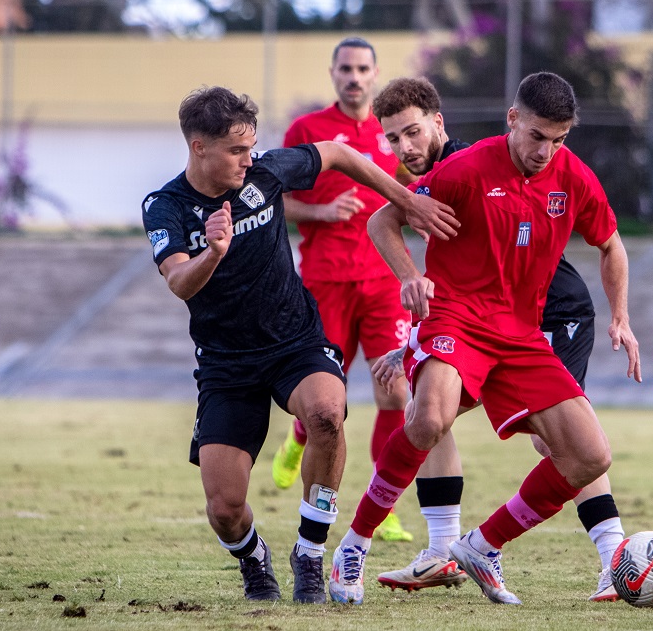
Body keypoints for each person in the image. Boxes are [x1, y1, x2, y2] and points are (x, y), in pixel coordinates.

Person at [328, 72, 641, 606]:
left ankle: (481, 546)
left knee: (590, 455)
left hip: (523, 333)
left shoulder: (574, 177)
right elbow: (384, 221)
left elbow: (612, 245)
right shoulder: (465, 169)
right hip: (456, 318)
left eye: (559, 140)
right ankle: (353, 548)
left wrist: (622, 317)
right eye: (538, 136)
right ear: (513, 119)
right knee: (429, 419)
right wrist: (410, 276)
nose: (547, 151)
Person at [140, 86, 457, 605]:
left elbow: (338, 153)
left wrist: (405, 199)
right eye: (236, 150)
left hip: (295, 341)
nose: (249, 159)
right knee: (224, 508)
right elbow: (179, 283)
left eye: (251, 147)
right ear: (199, 147)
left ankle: (310, 552)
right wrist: (214, 252)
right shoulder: (166, 206)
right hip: (226, 364)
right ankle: (253, 557)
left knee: (328, 414)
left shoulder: (264, 171)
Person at [270, 37, 415, 543]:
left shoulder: (390, 132)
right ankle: (295, 439)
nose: (354, 77)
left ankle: (386, 502)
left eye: (363, 69)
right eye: (346, 68)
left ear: (376, 74)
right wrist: (321, 213)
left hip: (381, 285)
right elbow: (272, 201)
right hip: (324, 282)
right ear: (333, 73)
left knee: (396, 389)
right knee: (323, 403)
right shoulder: (306, 131)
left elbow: (411, 188)